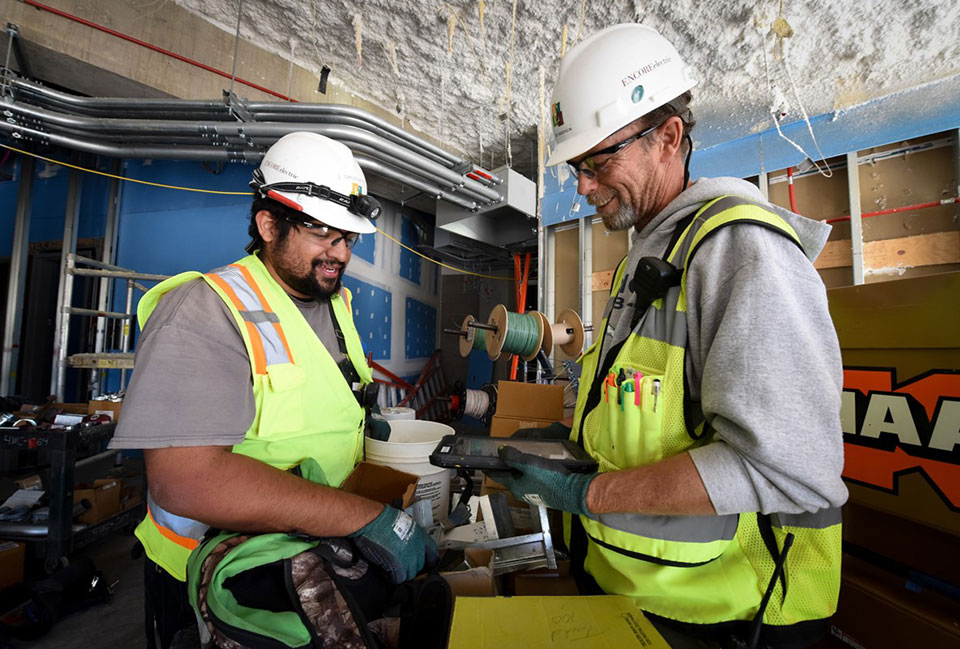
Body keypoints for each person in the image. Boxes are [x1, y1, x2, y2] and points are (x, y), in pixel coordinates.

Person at [491, 24, 847, 649]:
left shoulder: (740, 251)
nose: (583, 185)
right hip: (639, 597)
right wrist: (571, 444)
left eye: (599, 162)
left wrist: (588, 490)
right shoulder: (647, 262)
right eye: (579, 166)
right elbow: (651, 413)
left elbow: (790, 470)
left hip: (732, 621)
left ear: (670, 139)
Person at [109, 132, 437, 649]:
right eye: (324, 235)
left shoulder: (335, 304)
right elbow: (187, 481)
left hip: (304, 555)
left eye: (348, 238)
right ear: (268, 224)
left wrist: (364, 426)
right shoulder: (204, 310)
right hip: (216, 579)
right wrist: (367, 517)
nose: (340, 254)